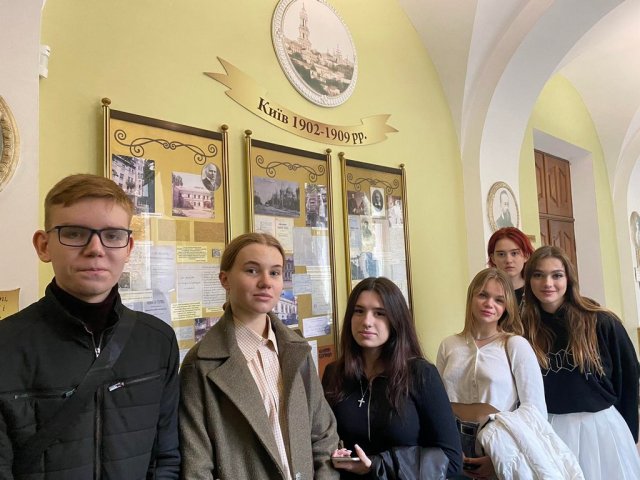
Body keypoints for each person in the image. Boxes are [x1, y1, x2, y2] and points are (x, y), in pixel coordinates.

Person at [0, 174, 180, 479]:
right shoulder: (6, 347)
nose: (96, 248)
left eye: (112, 235)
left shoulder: (158, 341)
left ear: (128, 248)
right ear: (44, 246)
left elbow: (166, 458)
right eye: (74, 233)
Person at [179, 232, 339, 480]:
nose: (266, 282)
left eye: (275, 272)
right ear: (225, 280)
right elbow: (196, 465)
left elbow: (324, 435)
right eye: (252, 271)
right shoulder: (200, 364)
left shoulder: (297, 350)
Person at [323, 277, 462, 479]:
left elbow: (451, 460)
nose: (367, 322)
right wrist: (336, 454)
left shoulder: (421, 374)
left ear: (396, 320)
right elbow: (322, 440)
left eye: (379, 313)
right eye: (359, 311)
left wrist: (377, 465)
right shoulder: (334, 373)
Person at [521, 245, 640, 479]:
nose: (548, 283)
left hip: (601, 428)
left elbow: (629, 378)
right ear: (528, 280)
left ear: (569, 279)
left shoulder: (600, 321)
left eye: (557, 275)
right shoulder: (523, 329)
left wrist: (630, 433)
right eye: (538, 275)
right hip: (549, 429)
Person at [437, 268, 552, 479]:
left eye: (499, 300)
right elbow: (439, 403)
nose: (489, 304)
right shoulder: (448, 345)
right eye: (483, 295)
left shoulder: (515, 345)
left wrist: (500, 457)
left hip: (498, 444)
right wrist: (448, 449)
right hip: (452, 447)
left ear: (507, 306)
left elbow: (534, 411)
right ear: (471, 297)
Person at [487, 227, 535, 306]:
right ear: (493, 258)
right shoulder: (485, 293)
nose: (508, 260)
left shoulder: (536, 291)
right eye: (501, 254)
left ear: (526, 256)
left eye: (514, 253)